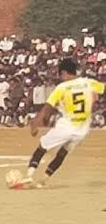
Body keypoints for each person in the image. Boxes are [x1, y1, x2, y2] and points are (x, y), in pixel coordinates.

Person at [15, 58, 103, 189]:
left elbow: (48, 107)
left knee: (42, 147)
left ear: (64, 72)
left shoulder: (62, 88)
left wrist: (35, 124)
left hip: (67, 125)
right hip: (83, 128)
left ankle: (29, 175)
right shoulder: (89, 83)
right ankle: (43, 180)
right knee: (63, 153)